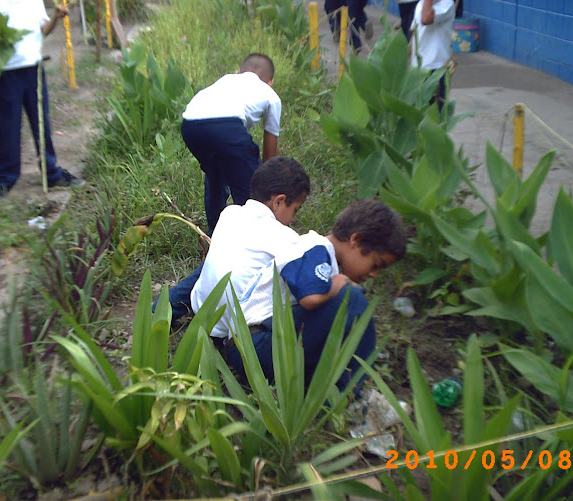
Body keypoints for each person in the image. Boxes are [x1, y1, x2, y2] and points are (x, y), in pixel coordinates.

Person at [204, 199, 407, 391]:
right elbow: (309, 299)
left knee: (346, 307)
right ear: (356, 239)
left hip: (264, 346)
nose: (373, 274)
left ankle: (335, 388)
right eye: (376, 264)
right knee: (351, 300)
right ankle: (355, 397)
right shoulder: (314, 248)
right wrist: (339, 284)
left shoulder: (323, 259)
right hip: (252, 347)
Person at [153, 156, 311, 323]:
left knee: (217, 265)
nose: (293, 219)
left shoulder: (229, 213)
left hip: (201, 317)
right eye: (295, 210)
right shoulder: (286, 238)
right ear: (279, 201)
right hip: (237, 332)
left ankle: (162, 308)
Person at [0, 0, 85, 197]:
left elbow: (42, 30)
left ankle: (51, 172)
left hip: (34, 67)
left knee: (42, 122)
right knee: (8, 126)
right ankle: (4, 180)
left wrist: (55, 17)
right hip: (6, 72)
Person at [181, 53, 281, 234]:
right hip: (226, 127)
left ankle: (214, 237)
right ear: (270, 82)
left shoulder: (226, 80)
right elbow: (270, 155)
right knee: (252, 192)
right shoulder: (270, 95)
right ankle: (253, 238)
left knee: (216, 176)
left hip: (190, 125)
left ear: (237, 73)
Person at [409, 0, 455, 111]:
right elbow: (415, 34)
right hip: (417, 69)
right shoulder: (421, 4)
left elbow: (426, 19)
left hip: (435, 70)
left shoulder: (446, 4)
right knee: (417, 113)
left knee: (434, 115)